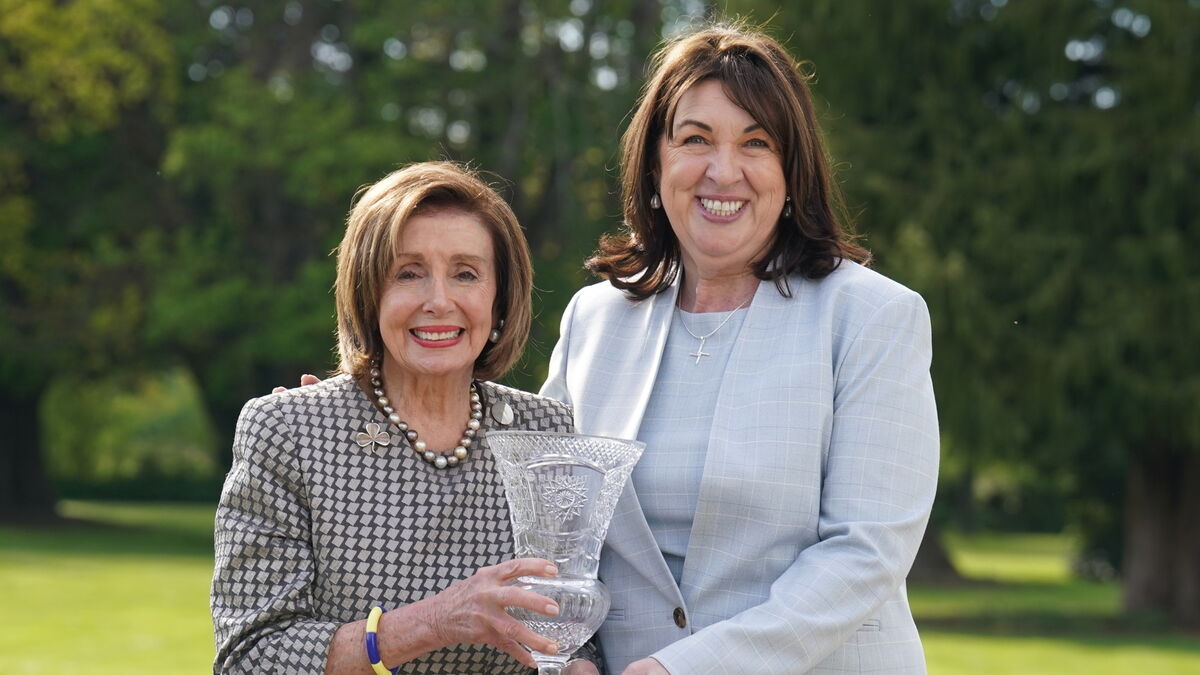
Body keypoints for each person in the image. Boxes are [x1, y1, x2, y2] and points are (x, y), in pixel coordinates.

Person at [539, 22, 940, 674]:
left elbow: (865, 552)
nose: (723, 171)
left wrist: (684, 668)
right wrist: (570, 654)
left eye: (756, 143)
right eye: (695, 139)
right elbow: (552, 530)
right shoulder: (594, 319)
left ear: (792, 172)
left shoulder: (872, 317)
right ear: (655, 164)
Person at [210, 161, 577, 673]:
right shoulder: (289, 431)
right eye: (408, 273)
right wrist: (434, 622)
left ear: (500, 299)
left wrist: (580, 663)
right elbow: (250, 657)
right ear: (368, 292)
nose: (439, 301)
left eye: (466, 274)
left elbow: (575, 625)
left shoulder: (548, 434)